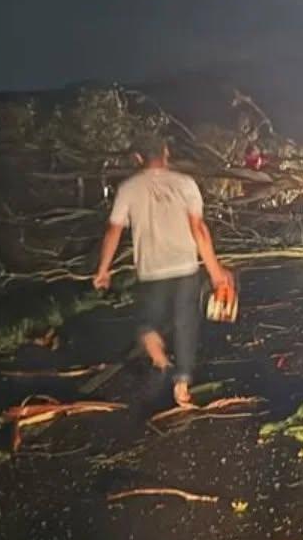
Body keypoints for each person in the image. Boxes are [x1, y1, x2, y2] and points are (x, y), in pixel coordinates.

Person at [92, 133, 231, 407]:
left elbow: (113, 230)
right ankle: (182, 385)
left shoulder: (129, 189)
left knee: (146, 325)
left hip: (151, 271)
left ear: (138, 158)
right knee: (185, 323)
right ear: (166, 153)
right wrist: (216, 272)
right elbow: (199, 230)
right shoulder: (185, 183)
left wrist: (103, 269)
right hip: (185, 267)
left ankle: (161, 361)